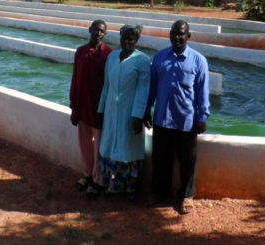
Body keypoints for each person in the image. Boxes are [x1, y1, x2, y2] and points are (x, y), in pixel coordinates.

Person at [144, 20, 210, 214]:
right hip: (162, 118)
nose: (177, 38)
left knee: (188, 161)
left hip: (186, 121)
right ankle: (158, 192)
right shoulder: (159, 58)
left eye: (181, 34)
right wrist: (147, 109)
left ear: (188, 36)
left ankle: (186, 195)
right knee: (160, 158)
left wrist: (202, 117)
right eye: (174, 34)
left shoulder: (199, 61)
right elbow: (152, 88)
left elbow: (202, 92)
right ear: (169, 35)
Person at [97, 25, 150, 200]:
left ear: (136, 41)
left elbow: (143, 89)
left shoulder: (142, 60)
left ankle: (129, 188)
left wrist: (137, 115)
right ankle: (110, 184)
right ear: (120, 39)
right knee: (110, 145)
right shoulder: (112, 57)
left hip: (129, 113)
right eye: (124, 39)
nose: (127, 42)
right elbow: (106, 85)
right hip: (112, 111)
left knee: (128, 149)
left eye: (131, 39)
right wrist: (101, 110)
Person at [69, 19, 112, 197]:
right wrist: (73, 106)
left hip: (99, 110)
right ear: (90, 30)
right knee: (85, 144)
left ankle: (97, 179)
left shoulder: (109, 54)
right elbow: (75, 80)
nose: (98, 33)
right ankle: (87, 174)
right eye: (96, 30)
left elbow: (110, 84)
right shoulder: (80, 52)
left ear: (105, 34)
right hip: (82, 107)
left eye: (102, 31)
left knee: (99, 146)